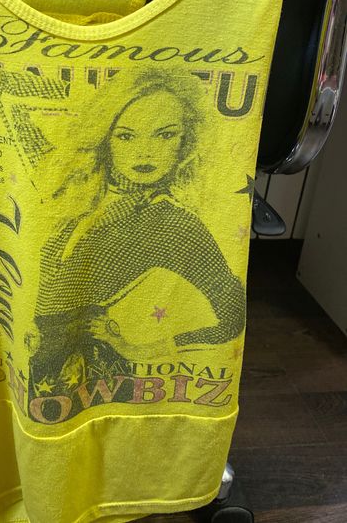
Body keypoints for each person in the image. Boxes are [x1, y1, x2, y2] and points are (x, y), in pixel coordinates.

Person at [18, 66, 247, 400]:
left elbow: (232, 315)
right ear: (105, 138)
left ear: (186, 141)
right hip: (36, 367)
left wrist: (145, 348)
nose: (145, 152)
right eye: (126, 136)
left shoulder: (175, 223)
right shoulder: (78, 200)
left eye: (164, 135)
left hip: (97, 379)